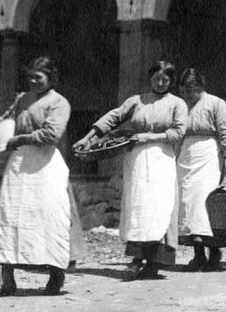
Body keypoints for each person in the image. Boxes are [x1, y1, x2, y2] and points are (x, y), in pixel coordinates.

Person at [73, 60, 186, 279]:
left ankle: (155, 262)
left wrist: (148, 136)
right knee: (139, 207)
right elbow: (113, 118)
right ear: (150, 78)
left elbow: (178, 132)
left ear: (171, 81)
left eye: (165, 79)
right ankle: (136, 259)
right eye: (156, 78)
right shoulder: (136, 101)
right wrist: (88, 138)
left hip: (162, 158)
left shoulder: (177, 104)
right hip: (136, 159)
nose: (160, 83)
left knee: (160, 207)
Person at [0, 57, 71, 297]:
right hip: (19, 164)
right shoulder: (23, 99)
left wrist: (21, 139)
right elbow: (7, 122)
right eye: (31, 77)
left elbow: (52, 134)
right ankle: (8, 279)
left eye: (39, 77)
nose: (33, 81)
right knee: (9, 216)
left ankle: (55, 275)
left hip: (45, 164)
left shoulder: (59, 102)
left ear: (50, 78)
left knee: (49, 217)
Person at [177, 68, 226, 272]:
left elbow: (225, 133)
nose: (186, 94)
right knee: (188, 204)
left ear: (200, 86)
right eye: (183, 90)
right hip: (186, 155)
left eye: (190, 90)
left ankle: (214, 252)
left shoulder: (216, 104)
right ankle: (198, 254)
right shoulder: (181, 106)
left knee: (205, 203)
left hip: (208, 154)